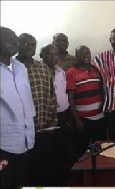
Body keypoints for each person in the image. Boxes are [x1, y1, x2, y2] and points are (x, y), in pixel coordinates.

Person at [16, 33, 59, 186]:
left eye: (32, 44)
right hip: (20, 131)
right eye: (25, 44)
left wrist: (53, 119)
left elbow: (51, 96)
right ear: (17, 45)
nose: (29, 47)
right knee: (23, 169)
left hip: (43, 127)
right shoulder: (11, 69)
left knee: (43, 166)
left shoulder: (43, 68)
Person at [0, 26, 36, 188]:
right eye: (10, 38)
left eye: (16, 38)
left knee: (20, 181)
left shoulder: (20, 67)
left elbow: (26, 98)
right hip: (3, 142)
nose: (15, 41)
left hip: (25, 137)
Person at [40, 43, 75, 185]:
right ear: (42, 56)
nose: (53, 57)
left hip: (63, 115)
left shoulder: (61, 72)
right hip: (46, 117)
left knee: (63, 149)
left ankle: (63, 179)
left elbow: (65, 93)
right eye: (49, 54)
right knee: (48, 151)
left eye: (55, 54)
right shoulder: (39, 71)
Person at [67, 45, 106, 158]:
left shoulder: (97, 70)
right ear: (76, 56)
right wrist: (76, 120)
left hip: (100, 117)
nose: (85, 56)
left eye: (87, 53)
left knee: (101, 149)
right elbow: (70, 98)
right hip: (83, 120)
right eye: (81, 53)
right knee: (81, 149)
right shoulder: (71, 73)